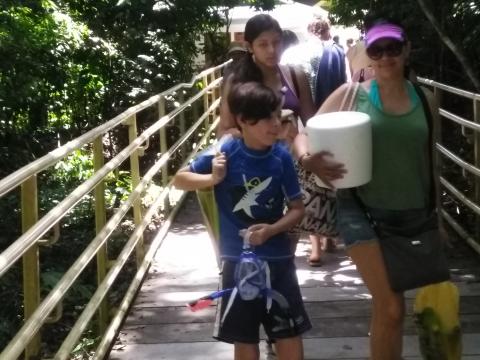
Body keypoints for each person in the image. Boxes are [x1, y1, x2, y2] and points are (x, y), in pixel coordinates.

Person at [295, 14, 441, 360]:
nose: (386, 57)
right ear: (368, 53)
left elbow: (431, 162)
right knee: (391, 306)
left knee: (390, 308)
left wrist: (438, 219)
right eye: (377, 50)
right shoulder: (351, 95)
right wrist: (308, 160)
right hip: (360, 210)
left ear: (406, 50)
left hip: (411, 215)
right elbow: (303, 133)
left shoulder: (427, 99)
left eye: (393, 48)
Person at [174, 81, 311, 360]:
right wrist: (212, 178)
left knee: (288, 334)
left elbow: (298, 209)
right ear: (243, 121)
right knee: (244, 338)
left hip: (278, 261)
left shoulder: (281, 157)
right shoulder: (225, 151)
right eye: (267, 118)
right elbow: (179, 179)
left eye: (277, 116)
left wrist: (272, 230)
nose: (276, 124)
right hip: (237, 263)